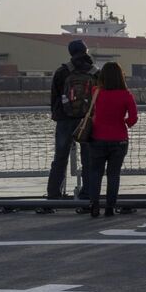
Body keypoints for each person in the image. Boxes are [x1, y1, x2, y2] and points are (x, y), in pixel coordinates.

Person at [80, 62, 137, 218]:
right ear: (121, 76)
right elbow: (133, 119)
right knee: (114, 175)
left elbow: (89, 111)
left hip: (97, 138)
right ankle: (110, 207)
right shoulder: (126, 95)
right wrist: (123, 122)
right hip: (119, 140)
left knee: (95, 173)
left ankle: (94, 205)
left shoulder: (96, 92)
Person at [47, 39, 95, 200]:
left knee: (60, 157)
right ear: (86, 51)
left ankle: (54, 193)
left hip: (65, 120)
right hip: (87, 120)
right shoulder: (94, 71)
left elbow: (54, 97)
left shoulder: (62, 71)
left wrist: (58, 116)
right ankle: (88, 192)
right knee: (88, 157)